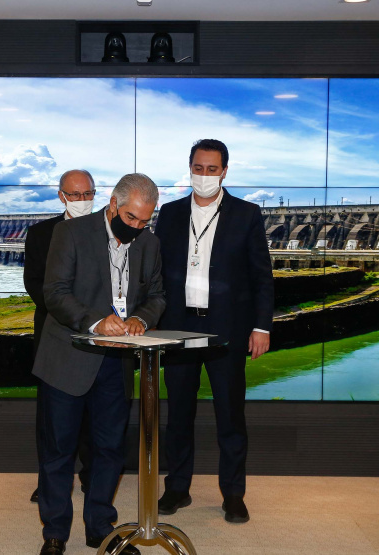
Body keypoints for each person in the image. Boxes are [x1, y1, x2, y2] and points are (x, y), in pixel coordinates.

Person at [34, 173, 165, 555]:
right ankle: (55, 533)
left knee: (109, 449)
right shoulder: (71, 233)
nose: (137, 227)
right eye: (131, 218)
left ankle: (100, 529)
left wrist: (140, 318)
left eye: (145, 220)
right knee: (58, 450)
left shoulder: (150, 243)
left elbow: (157, 295)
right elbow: (54, 292)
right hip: (68, 358)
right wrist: (95, 321)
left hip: (115, 363)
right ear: (112, 205)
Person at [154, 139, 274, 524]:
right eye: (198, 168)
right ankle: (177, 487)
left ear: (224, 171)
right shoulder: (170, 214)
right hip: (178, 327)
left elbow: (262, 276)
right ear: (189, 167)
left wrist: (261, 326)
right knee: (178, 414)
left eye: (211, 169)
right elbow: (155, 272)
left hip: (227, 329)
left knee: (230, 415)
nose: (203, 175)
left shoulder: (246, 214)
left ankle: (233, 495)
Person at [24, 169, 96, 503]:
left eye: (87, 194)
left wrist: (96, 321)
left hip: (99, 337)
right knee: (51, 417)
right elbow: (35, 284)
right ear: (61, 196)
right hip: (55, 334)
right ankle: (50, 482)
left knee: (95, 415)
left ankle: (93, 478)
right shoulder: (41, 233)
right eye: (75, 194)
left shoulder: (110, 230)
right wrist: (75, 316)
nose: (82, 200)